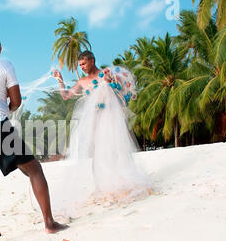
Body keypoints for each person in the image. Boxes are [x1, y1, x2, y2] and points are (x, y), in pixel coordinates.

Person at [0, 33, 68, 241]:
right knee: (34, 169)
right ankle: (49, 223)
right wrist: (4, 110)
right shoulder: (4, 64)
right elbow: (16, 100)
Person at [51, 51, 151, 216]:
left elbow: (116, 90)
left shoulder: (106, 74)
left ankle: (123, 181)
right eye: (80, 65)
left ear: (92, 60)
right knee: (98, 153)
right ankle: (102, 187)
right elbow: (66, 95)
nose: (82, 67)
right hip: (95, 120)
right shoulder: (82, 81)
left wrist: (109, 81)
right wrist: (60, 80)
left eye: (84, 64)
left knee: (116, 149)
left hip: (111, 116)